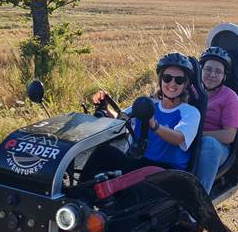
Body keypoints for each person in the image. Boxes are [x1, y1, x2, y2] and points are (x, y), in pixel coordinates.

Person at [79, 52, 201, 181]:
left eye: (179, 80)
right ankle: (76, 196)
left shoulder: (190, 112)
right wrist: (105, 108)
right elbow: (123, 121)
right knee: (103, 152)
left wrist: (154, 125)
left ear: (185, 84)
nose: (172, 83)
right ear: (160, 80)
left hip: (167, 173)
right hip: (140, 165)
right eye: (167, 78)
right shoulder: (148, 105)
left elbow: (179, 138)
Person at [194, 46, 238, 194]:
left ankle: (200, 200)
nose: (212, 75)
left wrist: (197, 136)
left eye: (218, 71)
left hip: (218, 148)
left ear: (224, 76)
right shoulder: (189, 91)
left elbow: (229, 136)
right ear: (200, 70)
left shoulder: (230, 98)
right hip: (187, 141)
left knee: (208, 144)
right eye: (208, 69)